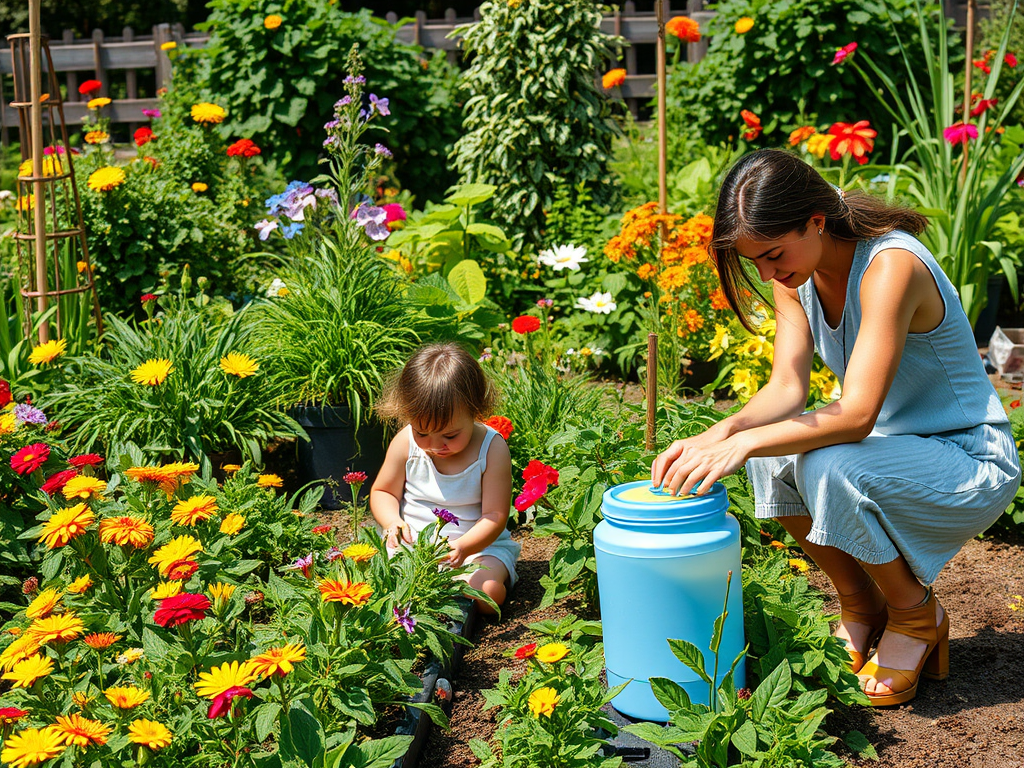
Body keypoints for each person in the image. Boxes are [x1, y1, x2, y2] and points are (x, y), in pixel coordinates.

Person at [652, 149, 1020, 706]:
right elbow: (786, 391)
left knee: (827, 459)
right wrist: (722, 435)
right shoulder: (793, 272)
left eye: (773, 255)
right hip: (896, 449)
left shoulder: (891, 266)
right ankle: (861, 604)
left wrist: (746, 441)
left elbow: (856, 416)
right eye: (756, 262)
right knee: (772, 456)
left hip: (969, 457)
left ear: (816, 221)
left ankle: (917, 618)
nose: (769, 273)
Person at [370, 342, 521, 614]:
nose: (434, 445)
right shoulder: (405, 442)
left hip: (476, 548)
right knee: (380, 584)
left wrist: (463, 547)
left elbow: (495, 515)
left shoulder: (491, 448)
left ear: (476, 411)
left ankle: (460, 591)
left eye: (450, 435)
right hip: (413, 549)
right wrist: (393, 521)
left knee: (486, 593)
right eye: (422, 432)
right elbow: (384, 492)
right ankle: (436, 594)